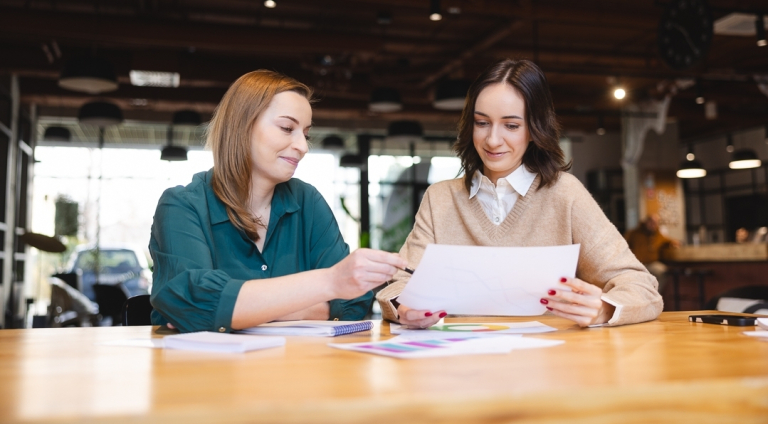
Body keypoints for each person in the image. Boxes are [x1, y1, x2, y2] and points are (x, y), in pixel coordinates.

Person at [377, 59, 662, 329]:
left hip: (548, 367)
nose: (492, 140)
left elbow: (640, 285)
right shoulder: (440, 198)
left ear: (535, 128)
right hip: (461, 365)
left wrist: (603, 309)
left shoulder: (565, 194)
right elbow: (401, 283)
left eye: (511, 125)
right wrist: (405, 307)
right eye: (482, 122)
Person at [149, 70, 406, 333]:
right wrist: (328, 284)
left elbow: (354, 304)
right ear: (241, 125)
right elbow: (191, 305)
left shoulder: (308, 202)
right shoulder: (181, 206)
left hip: (296, 367)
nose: (303, 147)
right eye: (287, 128)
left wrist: (239, 310)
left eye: (305, 134)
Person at [624, 214, 677, 286]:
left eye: (655, 223)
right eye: (651, 222)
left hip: (652, 263)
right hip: (636, 264)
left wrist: (673, 243)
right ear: (646, 222)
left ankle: (655, 293)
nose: (653, 225)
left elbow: (667, 240)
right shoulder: (634, 233)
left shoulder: (658, 234)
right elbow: (622, 243)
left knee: (663, 271)